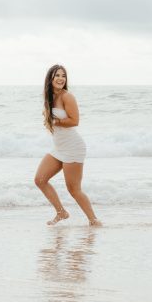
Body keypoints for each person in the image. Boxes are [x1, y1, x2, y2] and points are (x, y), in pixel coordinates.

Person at [34, 64, 102, 227]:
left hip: (73, 147)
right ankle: (61, 212)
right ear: (50, 79)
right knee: (40, 180)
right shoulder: (49, 97)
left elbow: (74, 120)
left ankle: (94, 221)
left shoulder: (67, 96)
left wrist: (54, 121)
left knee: (74, 189)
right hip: (59, 148)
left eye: (63, 76)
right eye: (57, 75)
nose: (60, 79)